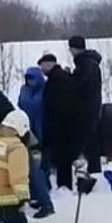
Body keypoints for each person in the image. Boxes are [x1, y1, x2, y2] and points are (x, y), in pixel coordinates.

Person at [18, 66, 54, 218]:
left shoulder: (45, 90)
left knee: (37, 169)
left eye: (32, 78)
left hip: (43, 131)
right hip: (27, 132)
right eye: (28, 78)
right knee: (33, 168)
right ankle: (39, 195)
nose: (29, 81)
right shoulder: (24, 90)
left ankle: (45, 200)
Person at [39, 54, 78, 190]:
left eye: (42, 66)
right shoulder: (60, 78)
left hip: (60, 126)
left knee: (63, 159)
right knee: (63, 159)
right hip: (66, 125)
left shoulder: (57, 81)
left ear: (49, 64)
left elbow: (58, 105)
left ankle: (64, 187)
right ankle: (64, 186)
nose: (42, 70)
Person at [68, 36, 103, 174]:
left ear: (74, 48)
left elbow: (83, 86)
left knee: (90, 140)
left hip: (87, 108)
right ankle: (93, 167)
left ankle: (94, 170)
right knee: (91, 139)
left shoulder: (86, 64)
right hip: (92, 106)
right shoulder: (89, 62)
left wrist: (70, 79)